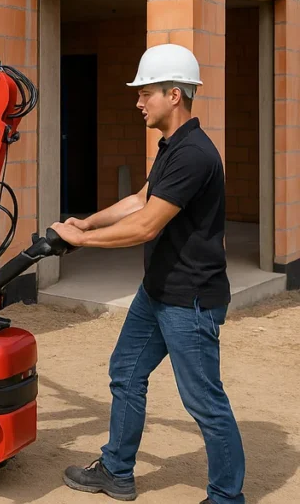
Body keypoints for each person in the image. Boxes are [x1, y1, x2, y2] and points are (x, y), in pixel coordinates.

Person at [50, 44, 245, 504]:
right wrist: (86, 221)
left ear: (174, 94)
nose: (138, 102)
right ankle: (117, 471)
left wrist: (80, 243)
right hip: (158, 291)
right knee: (125, 371)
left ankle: (226, 498)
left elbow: (145, 225)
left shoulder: (195, 154)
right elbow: (139, 200)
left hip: (190, 299)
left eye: (146, 93)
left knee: (204, 403)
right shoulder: (172, 147)